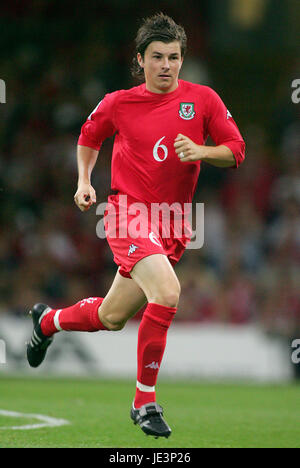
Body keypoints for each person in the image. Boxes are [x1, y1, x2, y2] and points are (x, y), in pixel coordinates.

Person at [26, 13, 245, 439]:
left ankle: (46, 322)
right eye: (158, 57)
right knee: (167, 292)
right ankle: (144, 402)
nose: (167, 65)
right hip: (127, 214)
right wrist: (85, 180)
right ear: (140, 60)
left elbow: (236, 150)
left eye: (175, 57)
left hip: (172, 224)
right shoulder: (118, 103)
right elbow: (90, 136)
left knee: (111, 317)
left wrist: (201, 151)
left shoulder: (204, 100)